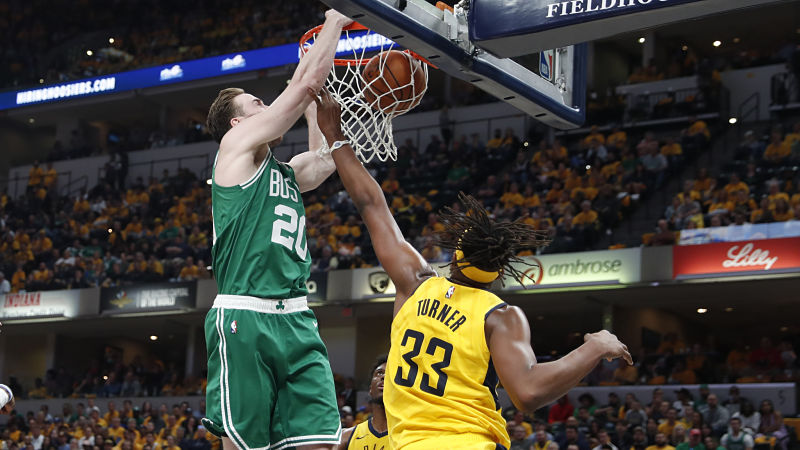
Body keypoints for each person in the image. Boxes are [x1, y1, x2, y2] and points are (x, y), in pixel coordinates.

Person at [311, 89, 632, 450]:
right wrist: (594, 347)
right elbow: (528, 393)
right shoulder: (500, 316)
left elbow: (371, 203)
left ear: (455, 257)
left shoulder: (415, 283)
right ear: (498, 274)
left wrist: (334, 133)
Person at [201, 9, 353, 450]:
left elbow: (323, 161)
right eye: (257, 104)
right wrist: (335, 20)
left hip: (297, 315)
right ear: (238, 124)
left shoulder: (284, 172)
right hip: (245, 314)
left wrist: (314, 108)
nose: (266, 106)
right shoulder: (233, 150)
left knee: (319, 441)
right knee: (244, 444)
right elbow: (301, 88)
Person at [336, 356, 388, 450]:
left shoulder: (411, 437)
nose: (384, 377)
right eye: (379, 373)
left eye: (390, 373)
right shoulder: (345, 437)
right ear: (370, 389)